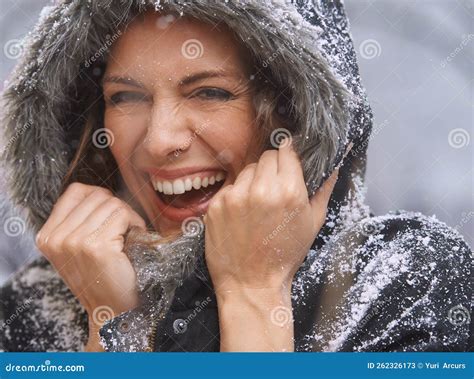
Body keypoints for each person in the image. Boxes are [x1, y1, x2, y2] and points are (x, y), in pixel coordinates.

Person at [0, 0, 471, 352]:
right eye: (125, 97)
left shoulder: (404, 285)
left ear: (295, 116)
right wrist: (116, 324)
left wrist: (255, 295)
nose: (160, 140)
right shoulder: (28, 313)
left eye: (209, 92)